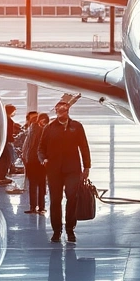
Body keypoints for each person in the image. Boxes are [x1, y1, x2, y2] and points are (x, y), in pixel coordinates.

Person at [40, 100, 92, 243]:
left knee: (72, 197)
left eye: (63, 110)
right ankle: (56, 231)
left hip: (72, 170)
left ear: (68, 111)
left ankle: (70, 229)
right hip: (54, 170)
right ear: (56, 111)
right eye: (58, 110)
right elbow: (41, 148)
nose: (60, 113)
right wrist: (43, 159)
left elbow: (84, 147)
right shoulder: (49, 128)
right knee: (55, 200)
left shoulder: (77, 127)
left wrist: (86, 167)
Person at [23, 112, 50, 214]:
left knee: (34, 184)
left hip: (33, 160)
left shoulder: (32, 129)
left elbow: (28, 145)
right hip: (39, 161)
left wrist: (25, 156)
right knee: (40, 184)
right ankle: (40, 207)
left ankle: (34, 207)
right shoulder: (44, 130)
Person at [0, 104, 19, 186]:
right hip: (5, 143)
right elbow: (9, 134)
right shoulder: (9, 121)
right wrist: (13, 139)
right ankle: (1, 177)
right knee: (6, 159)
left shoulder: (0, 119)